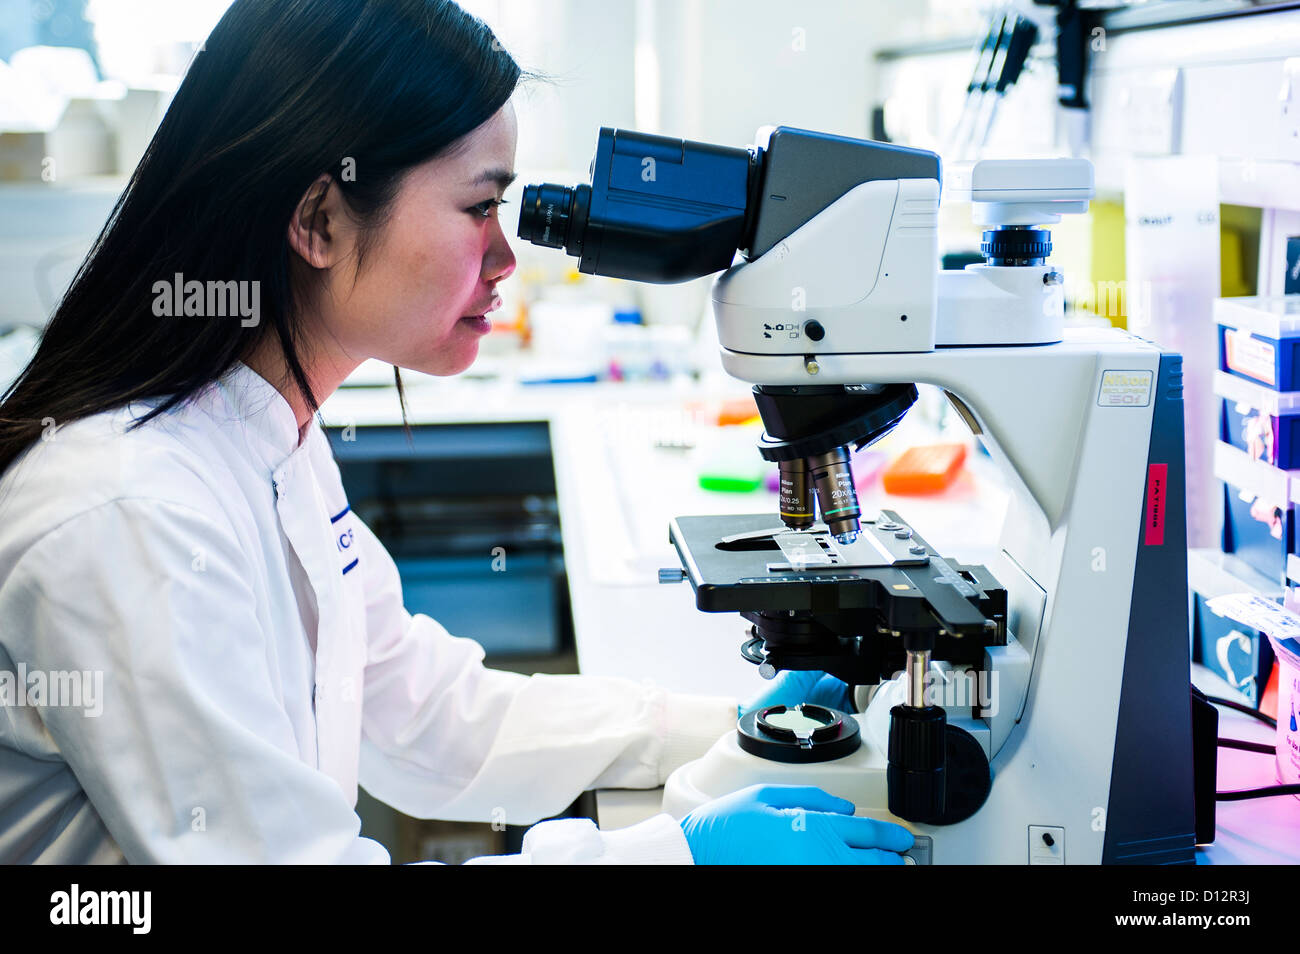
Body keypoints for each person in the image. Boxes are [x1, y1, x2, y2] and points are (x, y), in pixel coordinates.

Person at [0, 0, 913, 865]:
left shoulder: (262, 434)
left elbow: (424, 716)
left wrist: (728, 726)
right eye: (481, 208)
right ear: (319, 220)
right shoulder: (132, 516)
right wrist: (677, 854)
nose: (509, 259)